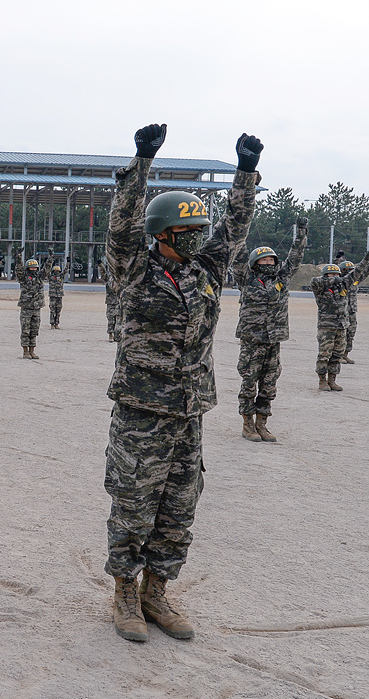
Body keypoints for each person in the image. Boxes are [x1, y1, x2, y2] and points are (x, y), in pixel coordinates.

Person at [104, 124, 261, 643]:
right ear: (163, 235)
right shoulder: (132, 269)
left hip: (190, 411)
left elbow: (234, 230)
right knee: (133, 503)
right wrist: (140, 165)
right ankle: (125, 593)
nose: (199, 239)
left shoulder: (206, 270)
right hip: (142, 414)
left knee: (178, 508)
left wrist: (243, 175)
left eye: (199, 232)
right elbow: (122, 226)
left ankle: (156, 593)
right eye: (188, 232)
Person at [232, 220, 307, 441]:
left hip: (274, 341)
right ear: (255, 263)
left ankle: (262, 424)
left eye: (271, 259)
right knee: (248, 382)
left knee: (269, 383)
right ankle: (247, 425)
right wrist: (240, 229)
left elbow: (295, 258)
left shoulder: (281, 279)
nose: (268, 262)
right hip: (252, 341)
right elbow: (237, 255)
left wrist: (301, 234)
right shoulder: (246, 279)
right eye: (263, 259)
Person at [311, 255, 369, 390]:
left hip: (341, 326)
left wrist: (366, 258)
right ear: (325, 275)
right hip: (327, 326)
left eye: (336, 274)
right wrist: (335, 279)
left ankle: (332, 380)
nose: (334, 276)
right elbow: (315, 281)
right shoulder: (320, 287)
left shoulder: (343, 285)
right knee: (324, 354)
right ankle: (322, 380)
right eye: (331, 274)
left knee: (337, 354)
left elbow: (357, 272)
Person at [17, 256, 50, 358]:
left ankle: (32, 350)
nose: (34, 269)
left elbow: (47, 269)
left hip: (36, 307)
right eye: (32, 268)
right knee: (25, 330)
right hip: (26, 307)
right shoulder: (23, 278)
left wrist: (50, 259)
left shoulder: (39, 277)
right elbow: (19, 270)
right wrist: (18, 258)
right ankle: (25, 351)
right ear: (27, 268)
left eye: (35, 268)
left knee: (34, 330)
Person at [339, 259, 360, 363]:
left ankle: (345, 354)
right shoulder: (339, 281)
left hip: (352, 311)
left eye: (351, 270)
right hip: (342, 312)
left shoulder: (355, 280)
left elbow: (363, 272)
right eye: (347, 270)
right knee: (341, 334)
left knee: (351, 333)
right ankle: (339, 356)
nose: (350, 272)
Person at [100, 259, 121, 341]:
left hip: (119, 301)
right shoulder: (108, 277)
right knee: (110, 318)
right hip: (110, 301)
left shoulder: (119, 277)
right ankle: (110, 334)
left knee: (118, 319)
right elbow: (103, 273)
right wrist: (100, 265)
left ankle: (117, 335)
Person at [48, 259, 66, 329]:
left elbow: (65, 271)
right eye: (55, 271)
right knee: (52, 310)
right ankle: (52, 324)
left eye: (58, 271)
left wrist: (67, 263)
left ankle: (57, 323)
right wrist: (49, 262)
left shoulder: (61, 277)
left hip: (59, 296)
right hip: (52, 296)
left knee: (58, 310)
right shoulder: (50, 277)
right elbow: (47, 270)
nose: (56, 272)